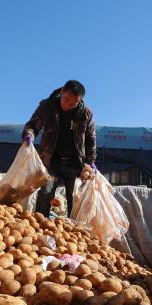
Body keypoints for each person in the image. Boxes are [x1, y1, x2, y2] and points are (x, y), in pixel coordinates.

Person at [22, 80, 96, 217]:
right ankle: (40, 225)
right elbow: (33, 125)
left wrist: (91, 160)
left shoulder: (85, 114)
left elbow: (90, 137)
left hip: (75, 163)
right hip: (51, 160)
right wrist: (29, 135)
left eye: (72, 103)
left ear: (79, 102)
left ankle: (74, 232)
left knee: (76, 199)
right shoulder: (47, 106)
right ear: (62, 91)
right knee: (45, 193)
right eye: (66, 99)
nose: (67, 105)